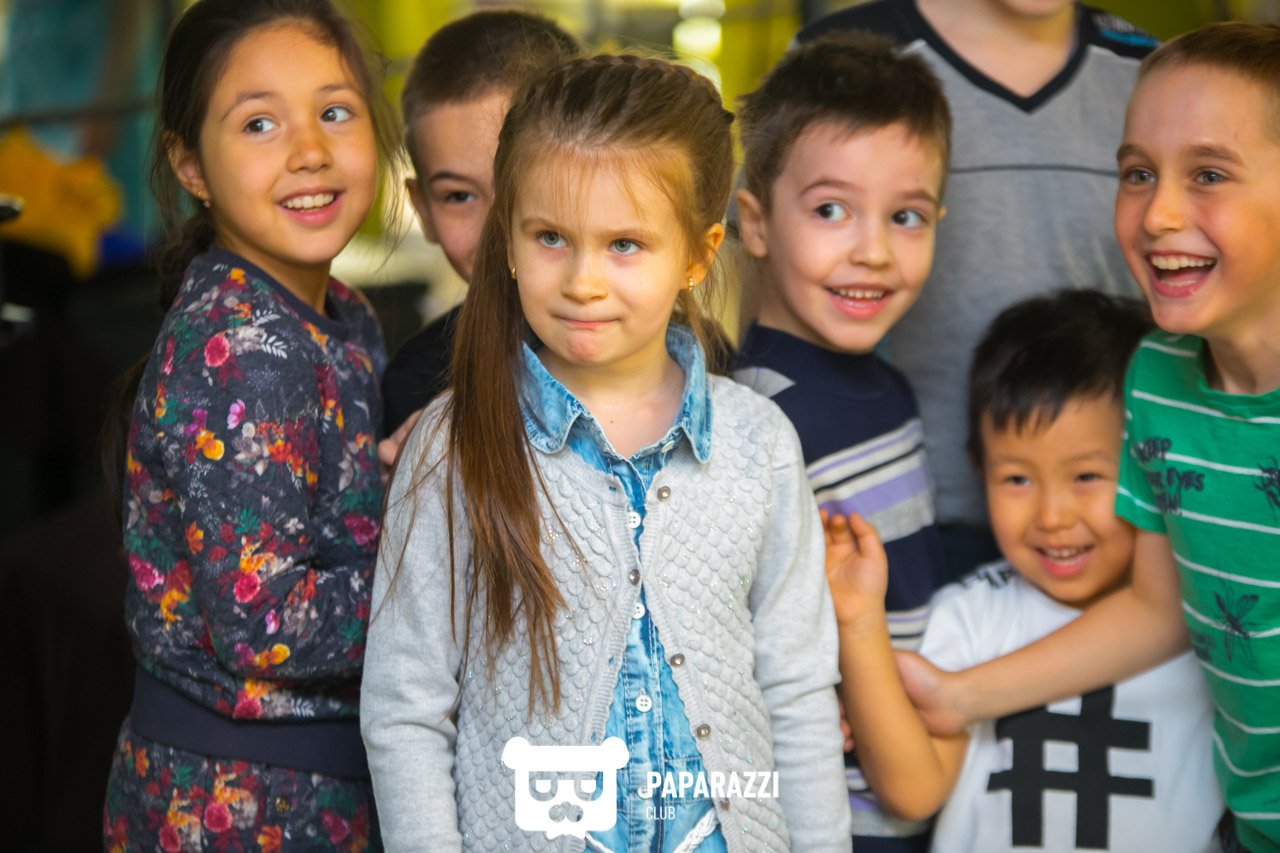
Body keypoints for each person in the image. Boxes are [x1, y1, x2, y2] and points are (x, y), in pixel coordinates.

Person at [361, 55, 850, 852]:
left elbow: (796, 692)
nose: (583, 281)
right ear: (509, 241)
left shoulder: (760, 445)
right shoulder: (451, 447)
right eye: (551, 237)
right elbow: (406, 709)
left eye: (625, 244)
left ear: (698, 254)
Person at [890, 22, 1280, 853]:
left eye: (1208, 174)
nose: (1159, 212)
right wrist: (956, 695)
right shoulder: (1157, 377)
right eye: (1137, 173)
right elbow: (1158, 608)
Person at [101, 1, 399, 849]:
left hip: (317, 781)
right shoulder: (242, 350)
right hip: (241, 801)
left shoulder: (344, 312)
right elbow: (265, 620)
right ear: (190, 165)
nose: (310, 150)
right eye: (260, 123)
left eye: (335, 112)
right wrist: (452, 586)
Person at [825, 291, 1221, 852]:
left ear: (1150, 473)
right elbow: (914, 792)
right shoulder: (972, 614)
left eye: (1086, 476)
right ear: (978, 468)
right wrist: (859, 621)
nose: (1052, 518)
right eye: (1017, 479)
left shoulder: (1206, 622)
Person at [796, 0, 1157, 577]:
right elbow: (767, 285)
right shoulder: (843, 52)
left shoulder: (1147, 67)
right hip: (886, 526)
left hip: (1121, 523)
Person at [730, 32, 950, 852]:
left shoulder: (886, 386)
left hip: (924, 790)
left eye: (906, 216)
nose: (874, 250)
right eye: (830, 210)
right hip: (830, 820)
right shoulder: (756, 424)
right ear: (755, 222)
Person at [380, 10, 580, 434]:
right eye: (458, 196)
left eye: (518, 183)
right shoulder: (415, 384)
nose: (497, 230)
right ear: (424, 211)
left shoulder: (686, 360)